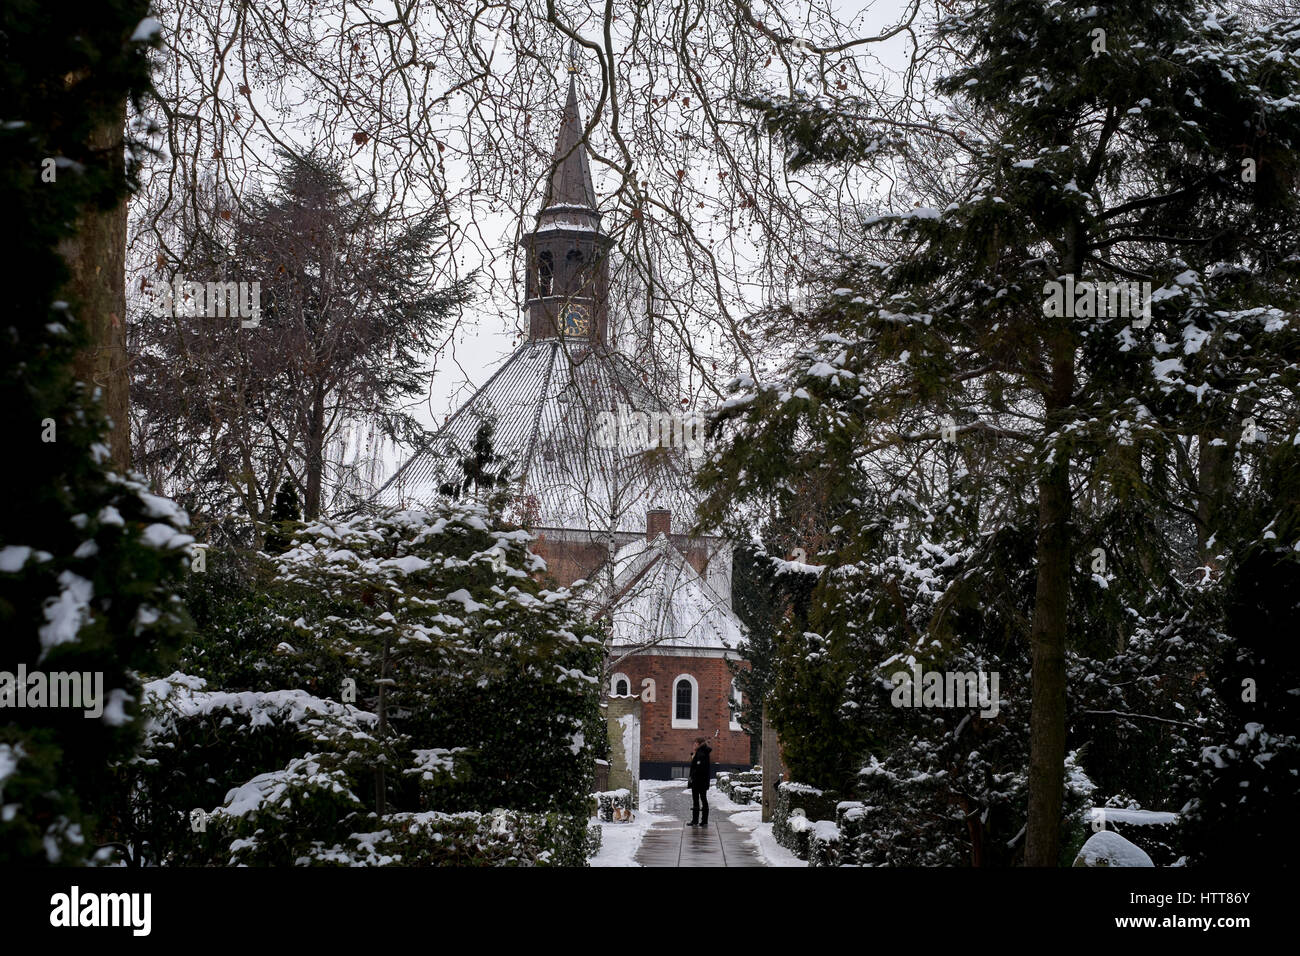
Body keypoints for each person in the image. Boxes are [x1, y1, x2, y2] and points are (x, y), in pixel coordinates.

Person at [687, 736, 712, 827]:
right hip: (701, 781)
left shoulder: (701, 753)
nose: (693, 745)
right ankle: (703, 821)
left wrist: (693, 777)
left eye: (695, 743)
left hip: (699, 781)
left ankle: (696, 821)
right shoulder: (701, 752)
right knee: (702, 799)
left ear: (699, 744)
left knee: (698, 800)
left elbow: (699, 768)